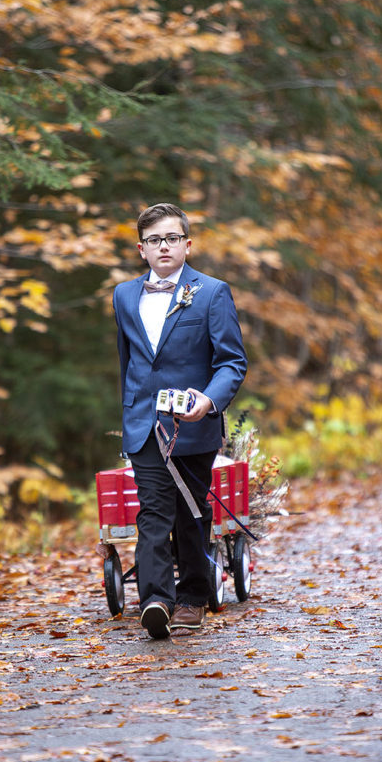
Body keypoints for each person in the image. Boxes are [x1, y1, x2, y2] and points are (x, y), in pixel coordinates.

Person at [112, 203, 248, 639]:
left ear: (187, 245)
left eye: (171, 238)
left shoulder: (211, 293)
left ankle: (192, 597)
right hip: (144, 422)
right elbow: (128, 361)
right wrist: (130, 408)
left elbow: (231, 362)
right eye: (154, 240)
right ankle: (155, 600)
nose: (163, 246)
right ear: (141, 249)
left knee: (190, 511)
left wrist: (208, 401)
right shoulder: (123, 296)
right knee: (153, 510)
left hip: (193, 424)